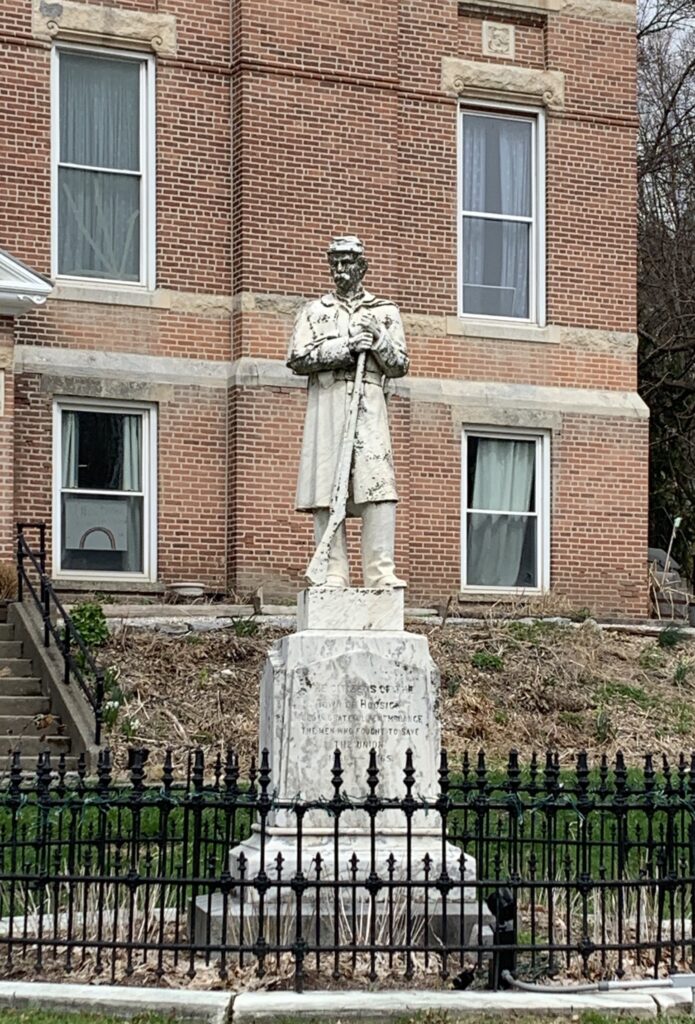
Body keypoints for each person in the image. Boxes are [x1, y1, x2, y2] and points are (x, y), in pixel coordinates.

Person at [287, 235, 409, 588]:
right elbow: (298, 357)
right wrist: (345, 346)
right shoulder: (315, 311)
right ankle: (332, 572)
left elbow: (400, 364)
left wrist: (378, 340)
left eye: (347, 263)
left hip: (370, 399)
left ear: (361, 266)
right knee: (327, 486)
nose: (340, 270)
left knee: (379, 486)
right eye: (335, 264)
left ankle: (380, 572)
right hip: (328, 400)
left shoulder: (384, 311)